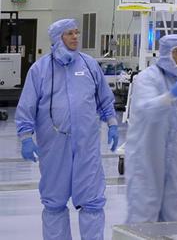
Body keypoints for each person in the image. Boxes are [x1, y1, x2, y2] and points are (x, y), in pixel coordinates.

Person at [16, 18, 119, 240]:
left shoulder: (89, 65)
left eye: (77, 33)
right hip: (54, 146)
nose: (75, 37)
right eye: (69, 34)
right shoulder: (40, 70)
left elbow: (104, 99)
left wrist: (111, 124)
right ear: (57, 38)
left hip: (86, 145)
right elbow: (27, 106)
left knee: (92, 200)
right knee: (54, 201)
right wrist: (25, 136)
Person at [125, 34, 177, 224]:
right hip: (146, 155)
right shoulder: (148, 78)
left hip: (175, 157)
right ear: (165, 53)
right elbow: (146, 110)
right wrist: (171, 95)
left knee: (173, 212)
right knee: (144, 211)